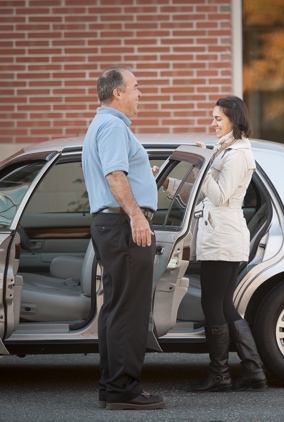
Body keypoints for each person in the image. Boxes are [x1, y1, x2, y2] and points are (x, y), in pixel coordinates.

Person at [164, 96, 267, 392]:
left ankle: (221, 375)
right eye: (213, 118)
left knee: (212, 303)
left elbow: (220, 195)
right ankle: (253, 371)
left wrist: (205, 164)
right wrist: (170, 183)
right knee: (223, 304)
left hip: (223, 235)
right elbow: (203, 192)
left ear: (234, 119)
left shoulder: (237, 154)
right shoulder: (225, 149)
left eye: (218, 118)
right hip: (219, 233)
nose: (213, 123)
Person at [82, 65, 165, 410]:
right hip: (123, 225)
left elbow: (119, 172)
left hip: (110, 225)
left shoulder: (100, 125)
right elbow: (115, 175)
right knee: (130, 309)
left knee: (116, 308)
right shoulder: (113, 126)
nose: (139, 93)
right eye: (135, 87)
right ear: (118, 93)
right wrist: (136, 216)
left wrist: (147, 173)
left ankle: (111, 387)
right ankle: (125, 391)